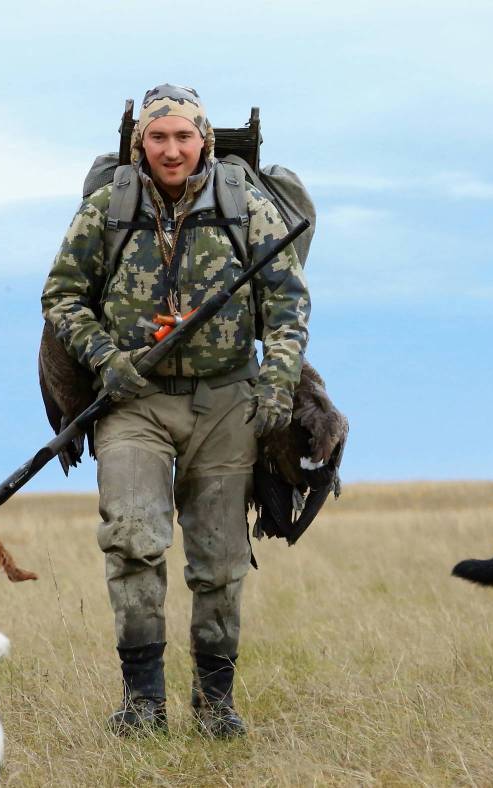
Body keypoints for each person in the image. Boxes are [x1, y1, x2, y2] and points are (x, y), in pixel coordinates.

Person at [41, 84, 310, 735]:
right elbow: (61, 294)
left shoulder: (243, 203)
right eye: (158, 138)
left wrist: (276, 384)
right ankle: (143, 705)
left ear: (204, 141)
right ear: (141, 144)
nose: (171, 149)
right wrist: (107, 357)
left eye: (183, 137)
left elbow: (287, 301)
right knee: (133, 540)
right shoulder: (110, 206)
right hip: (132, 404)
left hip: (226, 404)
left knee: (218, 562)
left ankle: (217, 709)